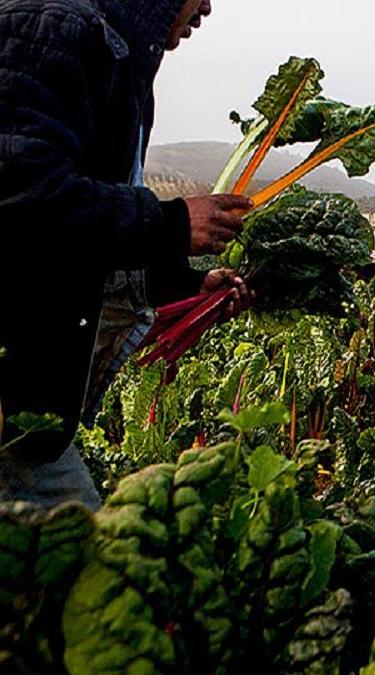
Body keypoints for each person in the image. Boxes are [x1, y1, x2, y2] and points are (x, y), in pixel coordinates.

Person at [0, 0, 251, 510]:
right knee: (88, 572)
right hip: (12, 405)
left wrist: (181, 285)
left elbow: (78, 240)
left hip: (25, 413)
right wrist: (174, 222)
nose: (206, 6)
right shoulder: (53, 28)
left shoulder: (121, 63)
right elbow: (21, 194)